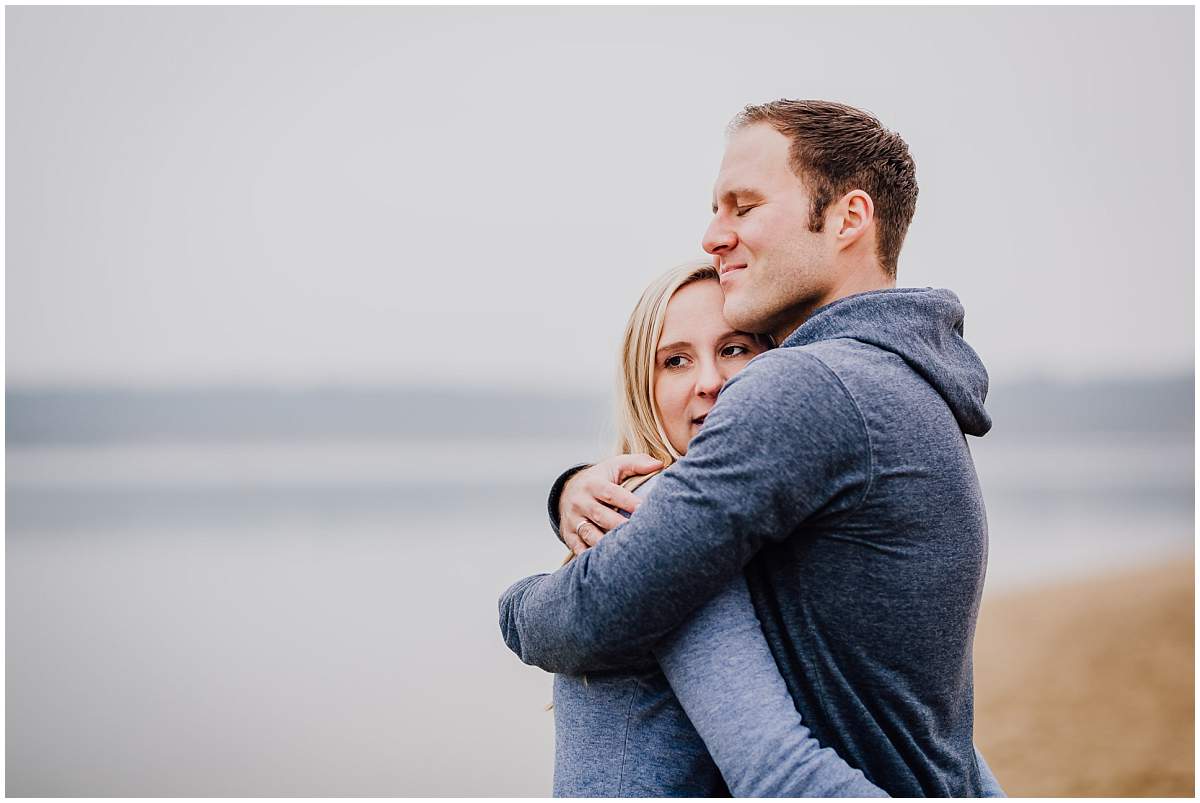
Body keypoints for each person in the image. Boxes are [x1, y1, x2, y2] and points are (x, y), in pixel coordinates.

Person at [501, 100, 996, 796]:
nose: (713, 234)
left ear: (850, 218)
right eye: (673, 361)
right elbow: (944, 737)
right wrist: (573, 491)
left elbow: (603, 608)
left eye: (744, 206)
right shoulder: (914, 384)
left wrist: (518, 604)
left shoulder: (806, 387)